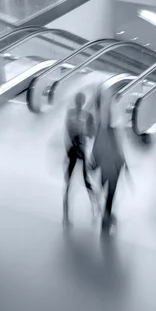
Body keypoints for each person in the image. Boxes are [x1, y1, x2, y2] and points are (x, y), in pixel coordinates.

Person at [89, 90, 128, 232]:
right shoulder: (113, 133)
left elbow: (96, 149)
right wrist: (123, 162)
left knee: (105, 189)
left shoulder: (102, 130)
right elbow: (119, 151)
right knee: (110, 193)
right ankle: (106, 216)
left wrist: (94, 162)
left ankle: (104, 212)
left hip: (106, 167)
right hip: (113, 166)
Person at [63, 92, 99, 227]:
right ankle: (95, 207)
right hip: (78, 148)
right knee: (84, 180)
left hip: (75, 148)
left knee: (71, 180)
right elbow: (90, 134)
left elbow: (68, 131)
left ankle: (66, 214)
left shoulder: (73, 113)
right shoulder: (84, 115)